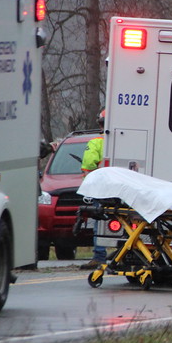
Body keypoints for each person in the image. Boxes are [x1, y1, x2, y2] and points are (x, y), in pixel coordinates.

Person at [80, 110, 107, 270]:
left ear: (100, 123)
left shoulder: (96, 142)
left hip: (101, 190)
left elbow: (88, 166)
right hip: (125, 191)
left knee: (100, 223)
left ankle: (99, 257)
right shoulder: (128, 140)